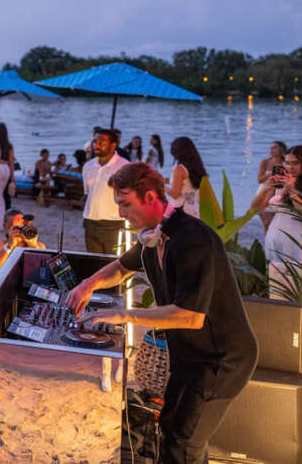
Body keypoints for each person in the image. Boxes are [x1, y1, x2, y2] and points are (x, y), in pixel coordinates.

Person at [67, 162, 258, 463]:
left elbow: (190, 316)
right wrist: (87, 285)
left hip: (222, 359)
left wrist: (124, 315)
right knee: (170, 429)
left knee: (184, 442)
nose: (120, 213)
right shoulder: (151, 238)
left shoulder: (193, 239)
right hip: (188, 355)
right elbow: (121, 267)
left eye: (125, 204)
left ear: (150, 198)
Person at [251, 145, 302, 299]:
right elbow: (255, 208)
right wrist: (266, 188)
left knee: (295, 289)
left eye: (295, 163)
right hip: (274, 240)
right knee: (277, 289)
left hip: (296, 242)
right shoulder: (281, 183)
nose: (290, 167)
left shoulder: (290, 185)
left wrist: (290, 188)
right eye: (287, 163)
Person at [81, 128, 129, 254]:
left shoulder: (124, 167)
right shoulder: (88, 166)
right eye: (95, 142)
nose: (96, 145)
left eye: (101, 142)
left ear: (113, 145)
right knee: (93, 261)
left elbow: (131, 198)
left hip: (114, 223)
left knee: (113, 262)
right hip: (90, 222)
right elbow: (88, 193)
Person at [0, 209, 47, 274]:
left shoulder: (39, 246)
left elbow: (43, 270)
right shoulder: (1, 246)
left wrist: (34, 247)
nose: (17, 231)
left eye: (20, 226)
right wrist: (9, 247)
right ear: (5, 227)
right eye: (13, 227)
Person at [166, 136, 207, 219]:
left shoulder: (179, 169)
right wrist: (167, 180)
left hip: (179, 211)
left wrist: (160, 184)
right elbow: (186, 183)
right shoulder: (196, 167)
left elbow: (175, 194)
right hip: (194, 211)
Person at [256, 140, 288, 230]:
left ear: (281, 149)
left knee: (277, 222)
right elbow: (259, 180)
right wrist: (271, 174)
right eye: (270, 148)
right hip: (264, 190)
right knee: (266, 222)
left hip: (279, 192)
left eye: (274, 148)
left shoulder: (286, 163)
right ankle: (267, 238)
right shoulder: (265, 162)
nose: (271, 150)